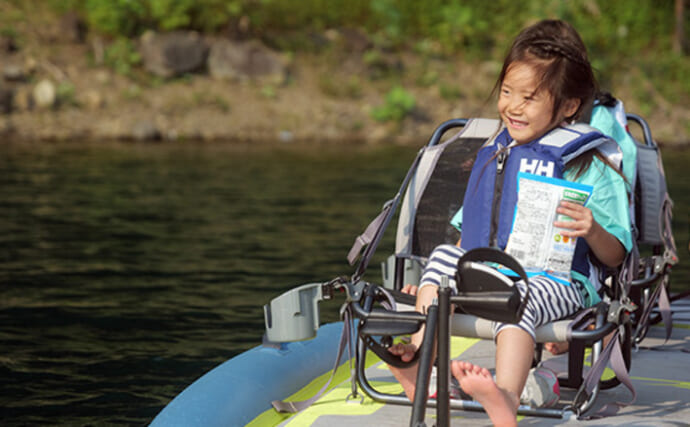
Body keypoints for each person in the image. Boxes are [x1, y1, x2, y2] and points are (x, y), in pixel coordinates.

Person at [387, 19, 632, 426]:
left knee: (522, 296)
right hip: (491, 269)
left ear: (568, 106)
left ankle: (505, 396)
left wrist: (592, 229)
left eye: (529, 98)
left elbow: (616, 254)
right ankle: (419, 360)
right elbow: (470, 235)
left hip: (558, 281)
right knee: (445, 256)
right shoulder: (498, 154)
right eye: (506, 92)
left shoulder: (591, 164)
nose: (513, 107)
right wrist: (436, 284)